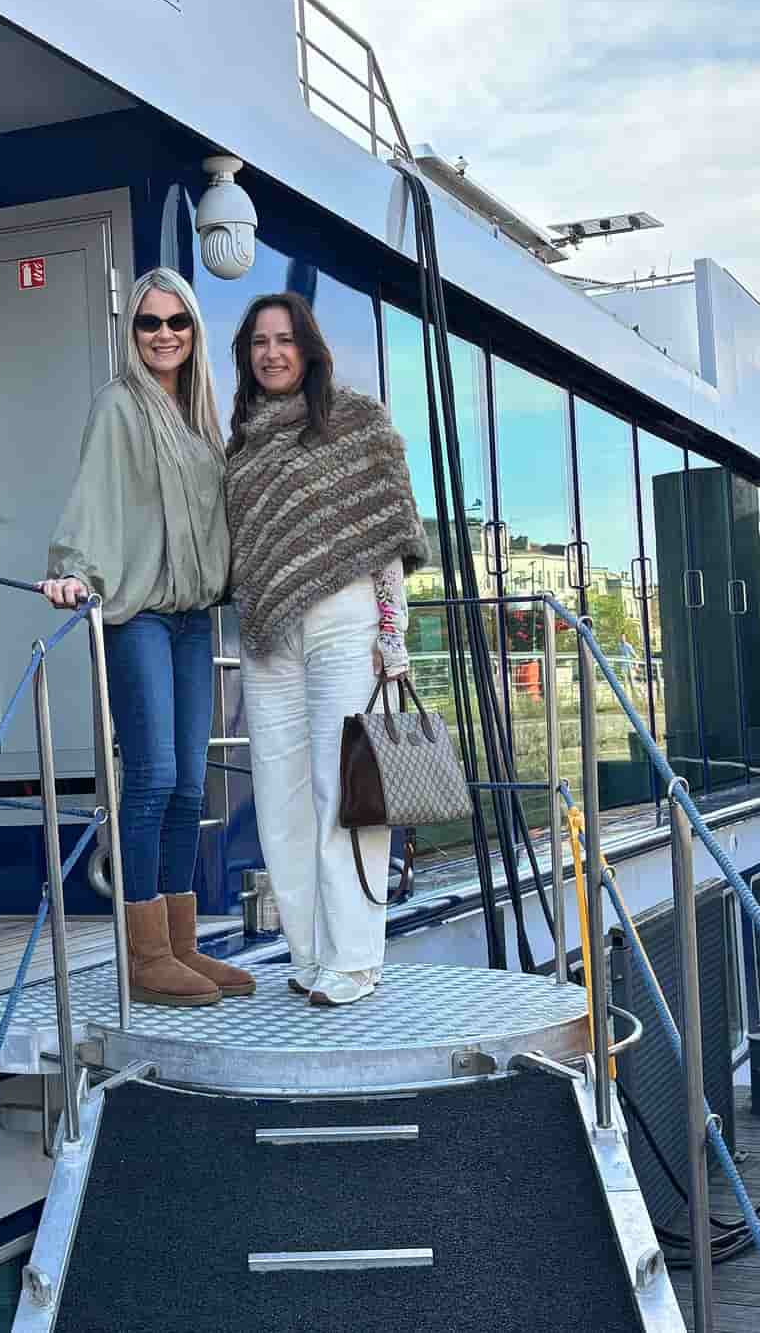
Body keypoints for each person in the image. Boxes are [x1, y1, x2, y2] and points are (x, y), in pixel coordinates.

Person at [41, 268, 255, 1007]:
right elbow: (92, 497)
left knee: (194, 782)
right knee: (156, 774)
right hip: (140, 617)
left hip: (196, 617)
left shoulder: (200, 416)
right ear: (131, 332)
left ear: (194, 332)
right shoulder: (118, 407)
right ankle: (145, 954)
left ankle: (183, 945)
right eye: (149, 323)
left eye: (178, 323)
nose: (164, 335)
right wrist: (72, 571)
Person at [225, 292, 429, 1007]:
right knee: (279, 798)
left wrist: (392, 637)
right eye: (259, 342)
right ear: (246, 355)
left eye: (285, 339)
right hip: (268, 635)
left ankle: (356, 957)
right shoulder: (242, 445)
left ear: (309, 348)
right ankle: (308, 951)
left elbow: (386, 543)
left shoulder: (356, 421)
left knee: (343, 789)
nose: (272, 352)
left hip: (345, 622)